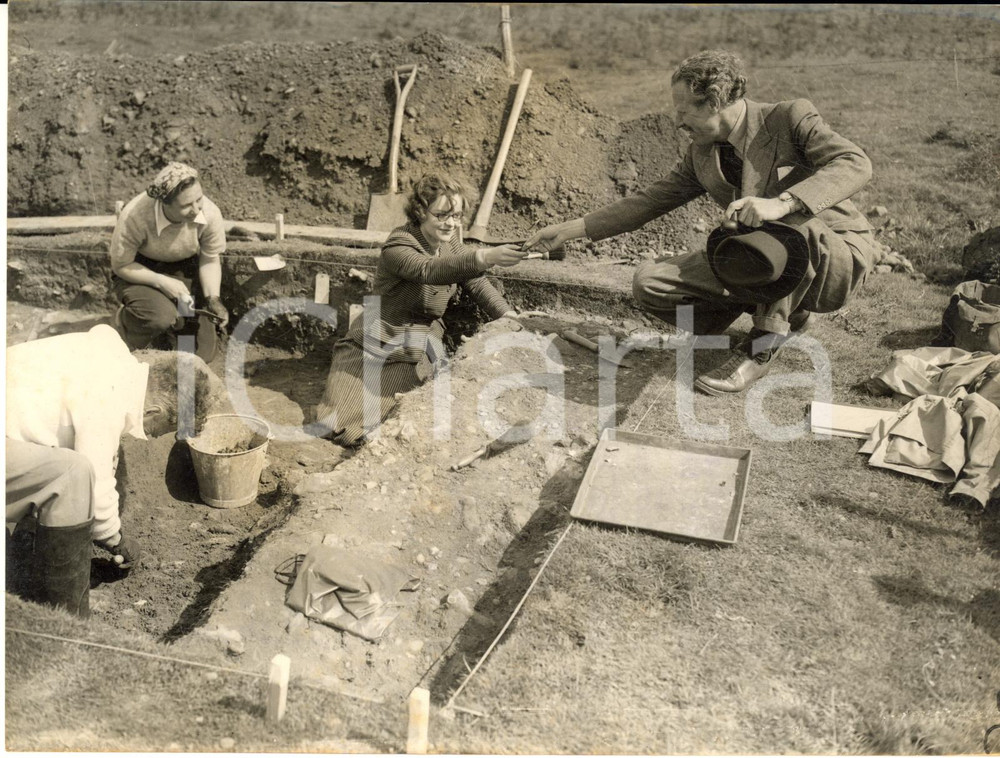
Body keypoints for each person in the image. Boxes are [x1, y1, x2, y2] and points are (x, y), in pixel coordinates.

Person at [525, 49, 876, 396]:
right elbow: (650, 201)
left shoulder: (789, 118)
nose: (678, 122)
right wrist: (568, 231)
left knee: (787, 228)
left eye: (684, 111)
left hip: (834, 252)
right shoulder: (702, 153)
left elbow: (855, 162)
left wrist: (783, 203)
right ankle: (786, 313)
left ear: (714, 102)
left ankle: (763, 343)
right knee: (650, 283)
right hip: (762, 257)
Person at [5, 325, 226, 617]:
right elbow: (94, 487)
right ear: (154, 412)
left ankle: (30, 553)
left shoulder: (113, 354)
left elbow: (99, 450)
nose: (159, 437)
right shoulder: (104, 401)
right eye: (166, 429)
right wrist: (115, 539)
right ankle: (66, 620)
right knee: (71, 474)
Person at [315, 173, 528, 445]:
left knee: (407, 415)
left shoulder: (448, 242)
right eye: (441, 215)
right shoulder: (399, 245)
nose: (450, 223)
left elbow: (474, 280)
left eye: (456, 216)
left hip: (418, 347)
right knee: (337, 425)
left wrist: (506, 314)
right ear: (420, 212)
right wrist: (484, 256)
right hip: (375, 342)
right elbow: (427, 269)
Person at [110, 162, 230, 362]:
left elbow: (209, 259)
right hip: (140, 271)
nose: (195, 209)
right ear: (164, 203)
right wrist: (162, 282)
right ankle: (126, 322)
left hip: (184, 272)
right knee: (159, 317)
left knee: (199, 354)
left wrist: (213, 298)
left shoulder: (208, 212)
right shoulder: (135, 216)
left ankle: (170, 332)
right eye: (185, 206)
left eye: (198, 200)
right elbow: (121, 265)